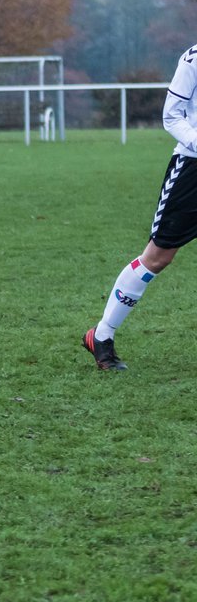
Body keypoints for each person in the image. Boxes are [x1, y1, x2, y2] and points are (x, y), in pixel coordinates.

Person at [83, 42, 197, 371]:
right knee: (158, 257)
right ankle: (101, 336)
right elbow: (171, 116)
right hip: (192, 170)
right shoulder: (192, 59)